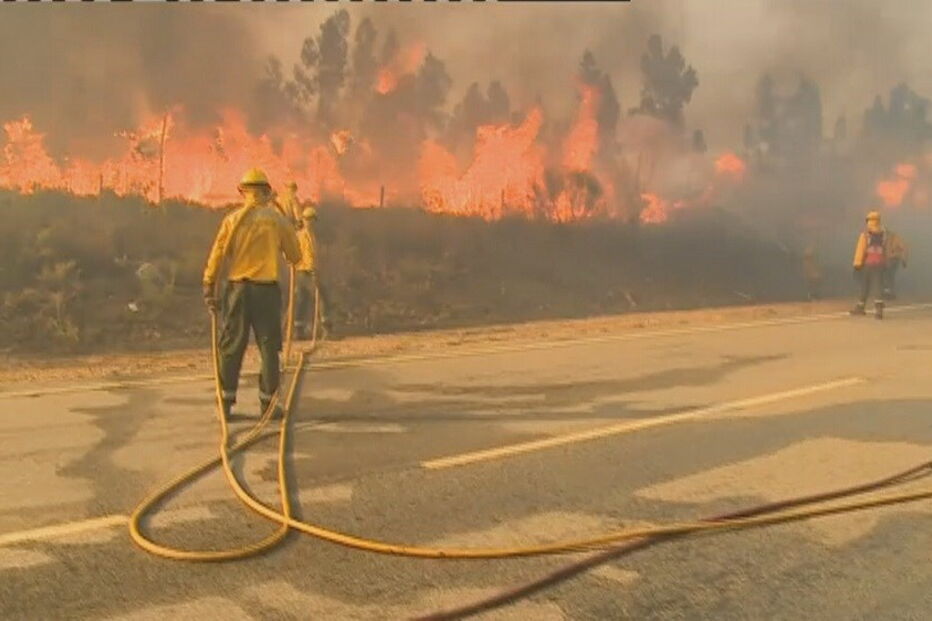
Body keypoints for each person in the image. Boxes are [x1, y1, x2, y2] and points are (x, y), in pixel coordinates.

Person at [202, 168, 301, 418]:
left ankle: (225, 403)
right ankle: (268, 406)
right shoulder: (277, 220)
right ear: (266, 191)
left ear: (243, 192)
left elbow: (217, 255)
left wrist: (208, 284)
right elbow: (296, 256)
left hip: (237, 290)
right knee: (269, 348)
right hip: (266, 291)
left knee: (231, 346)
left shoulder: (232, 220)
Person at [293, 205, 330, 340]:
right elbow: (305, 255)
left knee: (303, 300)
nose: (310, 222)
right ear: (304, 220)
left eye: (312, 219)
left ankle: (299, 330)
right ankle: (326, 328)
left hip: (305, 271)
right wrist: (312, 269)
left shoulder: (310, 235)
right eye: (308, 219)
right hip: (306, 272)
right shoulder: (301, 236)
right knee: (321, 297)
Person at [851, 210, 887, 319]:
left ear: (868, 221)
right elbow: (886, 249)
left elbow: (860, 249)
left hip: (868, 263)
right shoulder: (884, 234)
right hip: (880, 263)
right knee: (878, 286)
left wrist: (857, 263)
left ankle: (860, 307)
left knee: (864, 285)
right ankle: (879, 311)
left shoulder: (866, 234)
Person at [883, 230, 908, 300]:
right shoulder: (886, 239)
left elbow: (904, 248)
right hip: (888, 260)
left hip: (894, 259)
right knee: (888, 275)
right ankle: (888, 292)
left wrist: (904, 259)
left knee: (889, 275)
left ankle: (889, 292)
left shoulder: (895, 238)